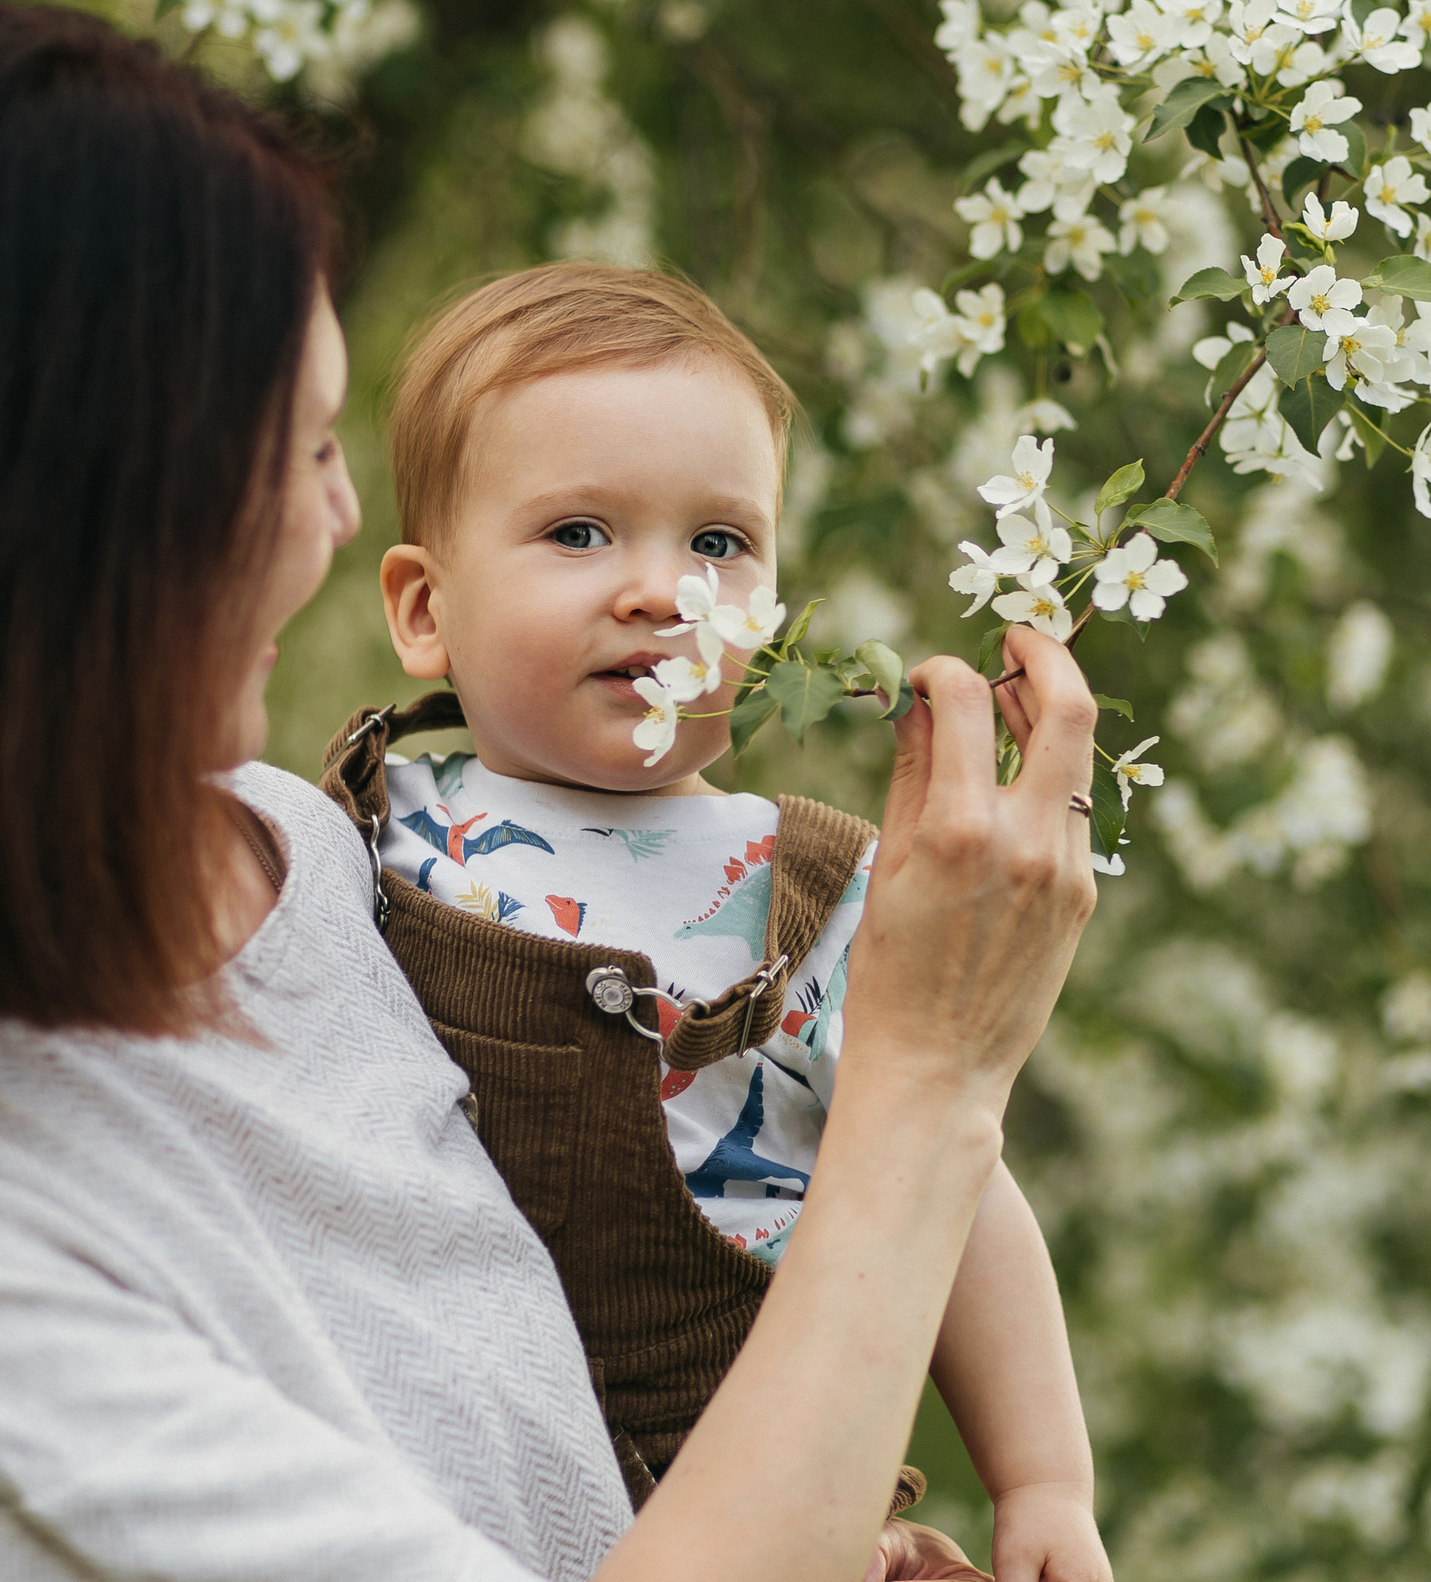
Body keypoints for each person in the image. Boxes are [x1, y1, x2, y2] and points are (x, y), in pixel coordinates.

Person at [0, 0, 1103, 1582]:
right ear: (59, 538)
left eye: (717, 542)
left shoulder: (272, 850)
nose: (338, 525)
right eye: (305, 451)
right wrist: (930, 1088)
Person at [316, 264, 1109, 1582]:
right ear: (422, 609)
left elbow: (955, 1167)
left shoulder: (810, 881)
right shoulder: (368, 833)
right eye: (578, 534)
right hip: (459, 1482)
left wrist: (1044, 1479)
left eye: (719, 545)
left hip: (761, 1487)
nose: (660, 592)